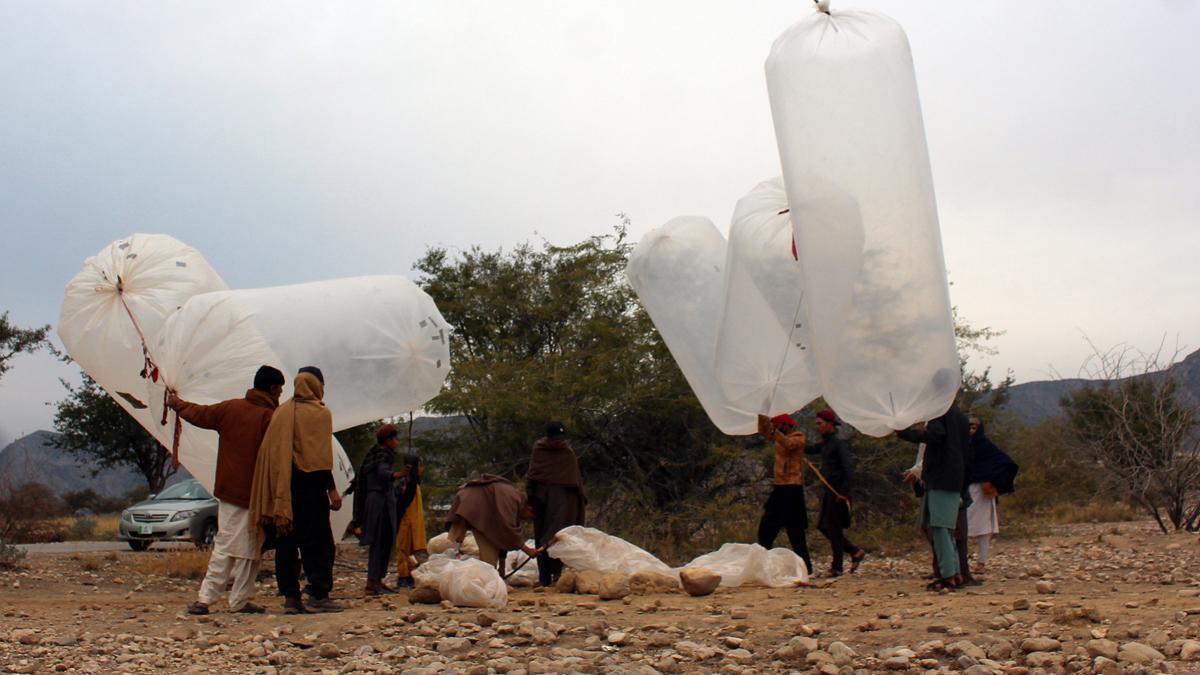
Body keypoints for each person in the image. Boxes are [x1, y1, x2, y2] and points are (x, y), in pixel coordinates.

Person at [168, 365, 285, 615]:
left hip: (229, 490)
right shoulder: (270, 417)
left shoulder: (230, 408)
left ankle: (231, 599)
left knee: (241, 545)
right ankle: (207, 599)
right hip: (255, 495)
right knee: (240, 546)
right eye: (280, 389)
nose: (281, 394)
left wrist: (176, 403)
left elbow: (198, 414)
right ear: (274, 389)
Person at [249, 366, 344, 614]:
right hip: (312, 488)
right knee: (320, 542)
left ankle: (291, 597)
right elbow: (321, 458)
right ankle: (317, 592)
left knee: (287, 543)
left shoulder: (281, 412)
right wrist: (332, 490)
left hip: (285, 490)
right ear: (317, 386)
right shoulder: (321, 413)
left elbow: (272, 454)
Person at [897, 400, 971, 591]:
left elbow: (934, 436)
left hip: (941, 478)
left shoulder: (940, 413)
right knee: (947, 528)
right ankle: (954, 573)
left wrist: (904, 432)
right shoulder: (961, 418)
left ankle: (947, 576)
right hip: (956, 478)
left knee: (939, 527)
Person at [526, 421, 586, 587]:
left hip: (567, 503)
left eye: (562, 440)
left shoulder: (567, 452)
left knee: (563, 536)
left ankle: (560, 577)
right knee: (545, 538)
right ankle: (544, 578)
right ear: (549, 438)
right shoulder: (540, 450)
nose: (560, 443)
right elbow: (532, 477)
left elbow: (575, 480)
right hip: (544, 503)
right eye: (556, 440)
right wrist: (531, 499)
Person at [809, 409, 865, 577]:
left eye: (820, 423)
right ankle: (854, 551)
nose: (818, 427)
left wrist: (844, 493)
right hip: (829, 490)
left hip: (838, 491)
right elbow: (809, 449)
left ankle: (837, 567)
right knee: (825, 527)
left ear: (830, 424)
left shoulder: (840, 443)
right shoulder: (826, 443)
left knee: (833, 527)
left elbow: (848, 469)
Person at [756, 412, 813, 575]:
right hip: (780, 488)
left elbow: (789, 444)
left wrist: (775, 432)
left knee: (795, 531)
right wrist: (762, 414)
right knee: (766, 530)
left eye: (778, 425)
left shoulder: (798, 437)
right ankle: (763, 566)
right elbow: (763, 430)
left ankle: (806, 567)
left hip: (792, 489)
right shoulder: (778, 436)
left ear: (785, 425)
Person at [446, 474, 540, 571]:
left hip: (475, 508)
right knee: (489, 561)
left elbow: (502, 538)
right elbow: (507, 529)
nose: (527, 519)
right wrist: (528, 550)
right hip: (472, 508)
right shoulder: (513, 500)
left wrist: (502, 566)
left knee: (489, 559)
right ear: (529, 508)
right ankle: (485, 581)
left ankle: (487, 579)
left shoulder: (516, 500)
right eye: (530, 517)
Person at [966, 417, 1019, 574]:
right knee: (961, 527)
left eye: (974, 427)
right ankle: (960, 561)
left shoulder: (986, 446)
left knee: (983, 528)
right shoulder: (961, 445)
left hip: (982, 492)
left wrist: (993, 481)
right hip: (964, 489)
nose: (971, 430)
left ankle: (981, 561)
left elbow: (1006, 463)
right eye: (969, 427)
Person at [356, 423, 403, 596]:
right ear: (388, 440)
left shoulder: (375, 454)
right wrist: (398, 475)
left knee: (383, 541)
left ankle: (377, 580)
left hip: (378, 500)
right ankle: (372, 582)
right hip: (380, 503)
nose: (397, 442)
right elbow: (384, 473)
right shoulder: (382, 455)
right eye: (395, 438)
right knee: (380, 541)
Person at [393, 453, 427, 588]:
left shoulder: (414, 482)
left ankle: (410, 574)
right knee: (402, 549)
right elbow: (401, 503)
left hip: (412, 521)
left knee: (410, 550)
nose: (422, 469)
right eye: (420, 465)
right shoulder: (406, 483)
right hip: (405, 521)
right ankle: (403, 576)